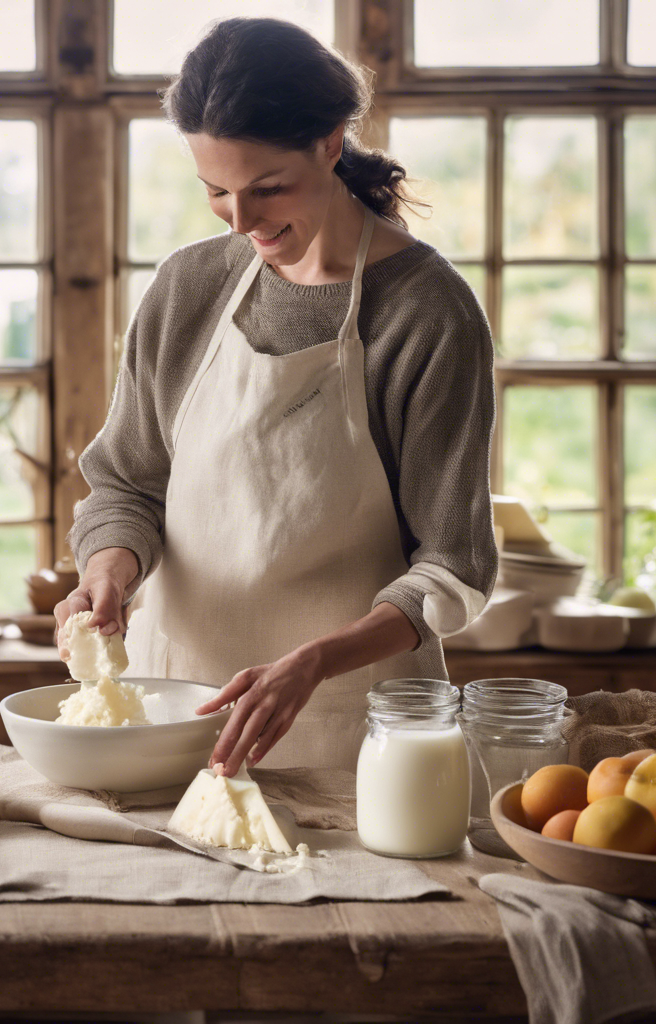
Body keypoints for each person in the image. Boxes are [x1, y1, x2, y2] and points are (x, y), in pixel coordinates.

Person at [56, 17, 497, 777]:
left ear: (331, 143)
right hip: (173, 718)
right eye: (217, 192)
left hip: (358, 739)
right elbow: (127, 485)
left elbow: (453, 567)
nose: (242, 221)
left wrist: (316, 661)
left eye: (267, 189)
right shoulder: (189, 287)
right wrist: (110, 570)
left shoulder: (427, 312)